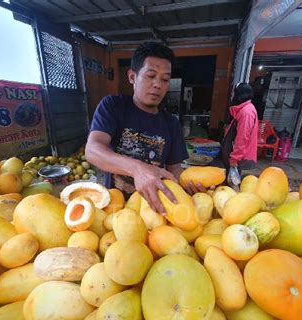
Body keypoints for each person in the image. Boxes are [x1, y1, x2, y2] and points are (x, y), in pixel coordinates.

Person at [85, 42, 194, 215]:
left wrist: (190, 186)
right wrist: (137, 168)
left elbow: (174, 173)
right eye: (151, 75)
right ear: (132, 77)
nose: (158, 84)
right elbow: (92, 150)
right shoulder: (113, 106)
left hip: (154, 210)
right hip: (115, 208)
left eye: (165, 79)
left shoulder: (171, 123)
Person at [221, 83, 258, 185]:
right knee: (231, 182)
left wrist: (235, 158)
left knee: (233, 183)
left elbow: (242, 137)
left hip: (238, 158)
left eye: (233, 93)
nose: (232, 95)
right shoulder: (242, 110)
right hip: (234, 155)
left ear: (239, 94)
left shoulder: (247, 112)